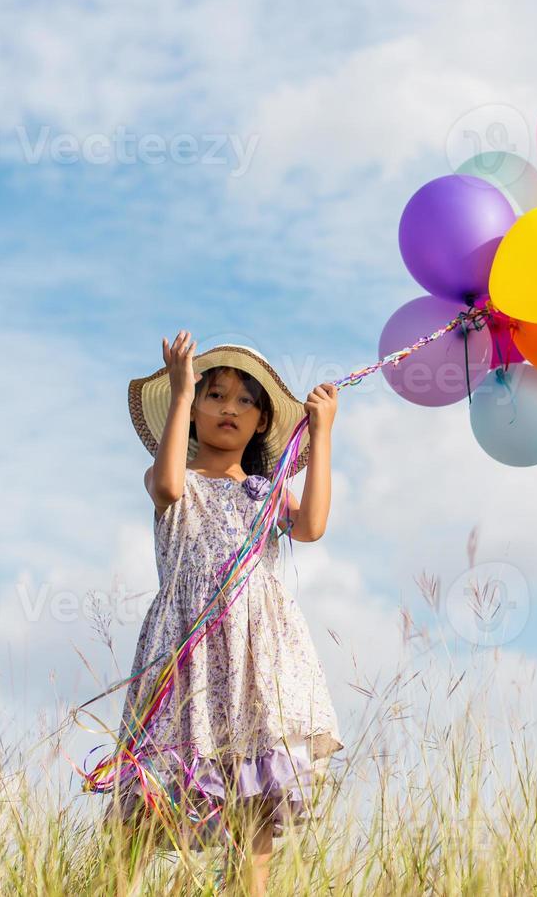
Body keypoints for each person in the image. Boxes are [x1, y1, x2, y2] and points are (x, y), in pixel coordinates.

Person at [105, 331, 344, 896]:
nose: (228, 408)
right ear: (192, 412)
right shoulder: (178, 481)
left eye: (244, 400)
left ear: (263, 421)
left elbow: (310, 526)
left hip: (255, 654)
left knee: (253, 796)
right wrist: (182, 390)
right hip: (187, 646)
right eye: (214, 396)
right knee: (156, 788)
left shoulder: (265, 491)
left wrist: (324, 434)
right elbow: (163, 484)